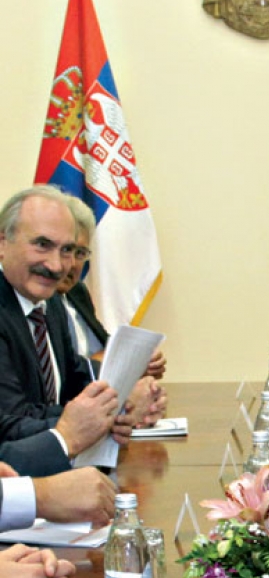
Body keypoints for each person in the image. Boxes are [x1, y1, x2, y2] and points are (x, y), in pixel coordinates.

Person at [0, 185, 163, 435]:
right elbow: (11, 422)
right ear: (3, 242)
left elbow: (74, 377)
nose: (56, 266)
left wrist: (129, 387)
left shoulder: (50, 302)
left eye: (67, 250)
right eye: (42, 244)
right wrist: (115, 410)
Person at [57, 194, 166, 379]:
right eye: (66, 250)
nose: (72, 263)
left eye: (80, 253)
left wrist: (141, 359)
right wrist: (110, 363)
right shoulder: (36, 304)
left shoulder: (77, 292)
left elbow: (107, 346)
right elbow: (57, 372)